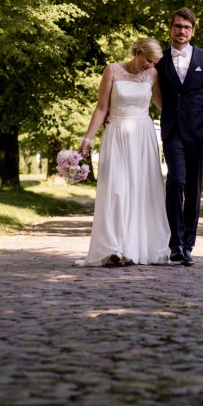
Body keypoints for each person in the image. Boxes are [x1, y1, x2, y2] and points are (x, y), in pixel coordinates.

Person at [76, 38, 171, 266]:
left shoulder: (153, 75)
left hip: (143, 136)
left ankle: (137, 248)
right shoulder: (112, 71)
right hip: (116, 134)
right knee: (116, 190)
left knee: (142, 189)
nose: (150, 66)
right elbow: (101, 108)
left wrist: (193, 106)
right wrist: (87, 138)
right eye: (148, 60)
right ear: (137, 52)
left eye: (155, 63)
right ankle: (113, 248)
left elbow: (163, 105)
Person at [157, 8, 203, 267]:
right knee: (175, 181)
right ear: (171, 28)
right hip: (173, 130)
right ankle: (175, 242)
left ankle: (188, 244)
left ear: (193, 31)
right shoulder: (160, 60)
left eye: (187, 27)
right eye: (178, 26)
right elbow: (140, 82)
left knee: (193, 189)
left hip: (200, 132)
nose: (182, 31)